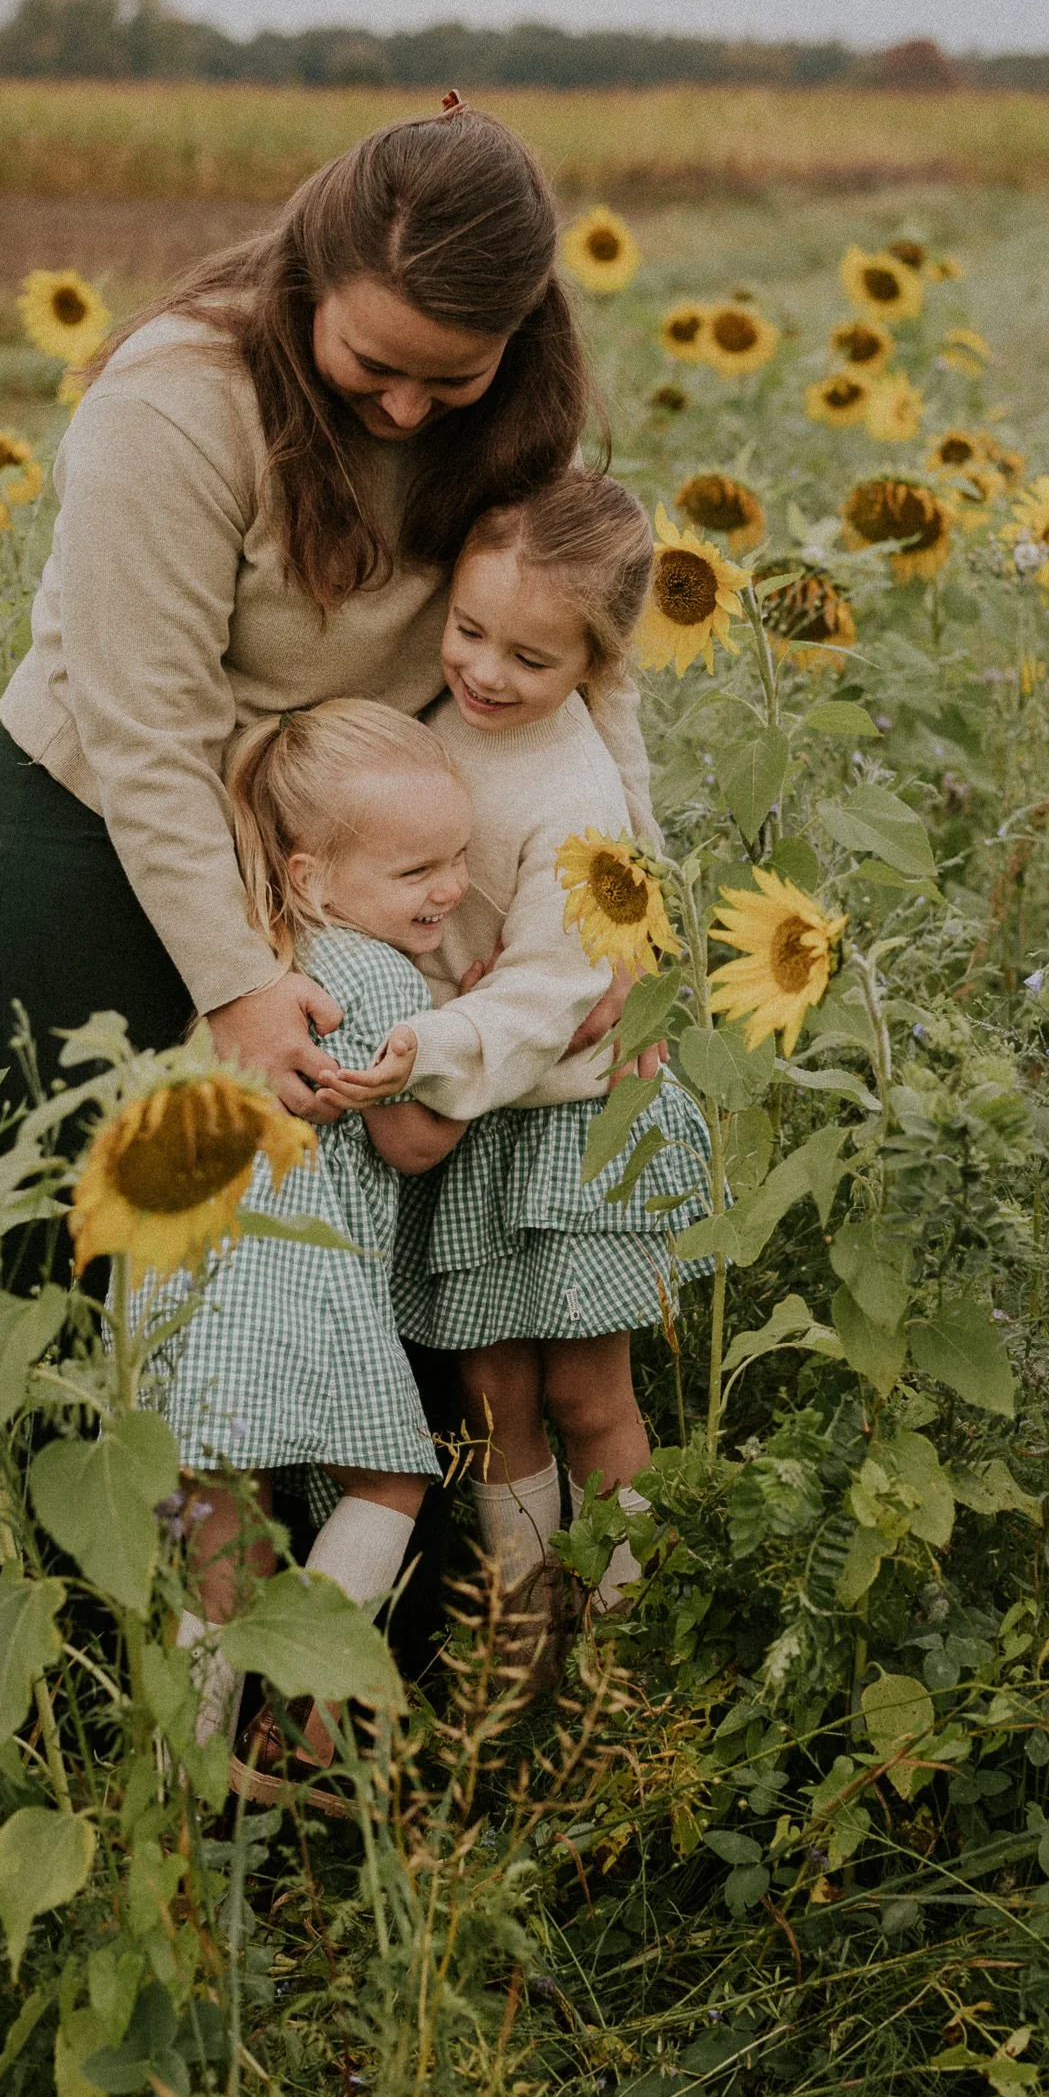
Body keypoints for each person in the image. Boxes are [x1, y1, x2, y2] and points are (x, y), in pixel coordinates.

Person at [0, 103, 657, 1143]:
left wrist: (628, 922)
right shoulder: (174, 404)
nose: (410, 410)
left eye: (452, 376)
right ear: (309, 285)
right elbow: (147, 729)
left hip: (344, 866)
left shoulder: (516, 410)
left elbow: (593, 655)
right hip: (99, 839)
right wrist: (235, 982)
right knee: (52, 1244)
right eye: (374, 365)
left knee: (312, 1260)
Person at [329, 473, 707, 1631]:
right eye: (468, 630)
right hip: (476, 1112)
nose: (486, 670)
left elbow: (556, 993)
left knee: (589, 1393)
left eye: (530, 660)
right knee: (490, 1394)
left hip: (570, 1115)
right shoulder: (433, 719)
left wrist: (433, 1037)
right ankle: (522, 1628)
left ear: (592, 666)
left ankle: (623, 1634)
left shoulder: (571, 789)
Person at [146, 701, 471, 1787]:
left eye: (459, 855)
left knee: (219, 1523)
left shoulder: (242, 972)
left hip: (184, 1280)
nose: (451, 888)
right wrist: (478, 1053)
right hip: (299, 1280)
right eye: (419, 866)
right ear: (313, 877)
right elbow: (413, 1141)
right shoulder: (374, 980)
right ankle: (303, 1705)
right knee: (389, 1483)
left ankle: (184, 1762)